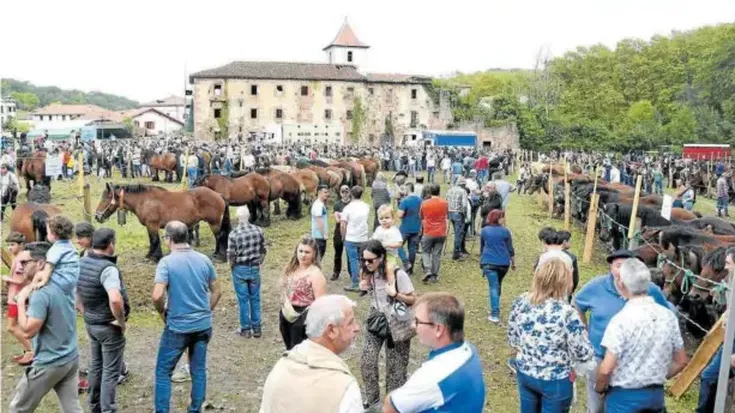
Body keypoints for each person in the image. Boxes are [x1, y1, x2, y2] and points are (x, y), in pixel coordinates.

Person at [574, 249, 675, 413]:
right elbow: (577, 303)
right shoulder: (596, 286)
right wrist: (583, 331)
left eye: (626, 266)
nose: (621, 271)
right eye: (617, 266)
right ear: (610, 267)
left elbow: (668, 313)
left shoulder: (650, 289)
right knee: (596, 407)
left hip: (634, 359)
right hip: (600, 356)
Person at [595, 259, 688, 412]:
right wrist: (655, 377)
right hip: (655, 396)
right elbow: (681, 361)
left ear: (620, 283)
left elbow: (606, 369)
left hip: (624, 398)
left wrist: (599, 387)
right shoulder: (668, 316)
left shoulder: (620, 320)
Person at [507, 253, 594, 413]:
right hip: (556, 380)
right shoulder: (567, 312)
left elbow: (513, 337)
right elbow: (581, 351)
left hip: (526, 372)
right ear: (564, 281)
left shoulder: (520, 302)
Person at [152, 221, 222, 413]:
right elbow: (217, 291)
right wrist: (207, 310)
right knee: (198, 370)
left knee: (163, 371)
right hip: (203, 325)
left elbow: (157, 295)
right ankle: (195, 409)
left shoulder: (166, 262)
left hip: (178, 327)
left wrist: (161, 312)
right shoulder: (204, 259)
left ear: (168, 239)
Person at [9, 242, 83, 413]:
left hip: (49, 363)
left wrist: (20, 302)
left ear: (41, 263)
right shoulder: (64, 284)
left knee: (17, 409)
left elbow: (28, 331)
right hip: (70, 359)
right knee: (72, 409)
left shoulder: (41, 294)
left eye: (25, 262)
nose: (20, 267)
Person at [383, 292, 485, 413]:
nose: (412, 325)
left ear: (438, 329)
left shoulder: (431, 377)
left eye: (417, 321)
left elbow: (391, 406)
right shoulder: (469, 349)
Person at [260, 295, 363, 413]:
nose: (357, 328)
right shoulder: (344, 387)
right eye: (350, 323)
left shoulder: (280, 367)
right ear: (331, 331)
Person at [359, 240, 416, 409]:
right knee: (366, 361)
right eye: (364, 260)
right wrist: (365, 287)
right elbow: (372, 292)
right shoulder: (368, 272)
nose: (367, 264)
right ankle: (372, 401)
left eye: (371, 260)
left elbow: (413, 299)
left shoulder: (398, 274)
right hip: (376, 318)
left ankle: (393, 405)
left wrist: (396, 294)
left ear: (382, 257)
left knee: (396, 370)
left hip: (397, 323)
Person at [78, 228, 130, 413]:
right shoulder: (108, 269)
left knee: (96, 366)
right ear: (111, 244)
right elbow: (115, 299)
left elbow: (75, 291)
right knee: (110, 371)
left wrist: (85, 312)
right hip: (108, 326)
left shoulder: (82, 261)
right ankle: (108, 409)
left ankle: (94, 406)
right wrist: (121, 321)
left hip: (91, 323)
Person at [697, 249, 735, 413]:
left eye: (728, 264)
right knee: (711, 377)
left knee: (710, 377)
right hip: (730, 340)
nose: (726, 268)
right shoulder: (731, 283)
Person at [280, 236, 327, 350]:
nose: (303, 255)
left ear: (314, 254)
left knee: (299, 351)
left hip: (304, 316)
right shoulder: (291, 268)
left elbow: (321, 303)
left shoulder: (315, 274)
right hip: (288, 312)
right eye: (300, 251)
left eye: (307, 252)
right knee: (289, 348)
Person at [227, 206, 267, 338]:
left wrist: (231, 266)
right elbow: (263, 249)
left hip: (240, 268)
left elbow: (231, 254)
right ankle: (257, 329)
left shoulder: (234, 234)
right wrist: (259, 261)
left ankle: (245, 328)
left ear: (238, 218)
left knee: (243, 300)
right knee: (255, 298)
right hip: (254, 267)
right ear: (249, 216)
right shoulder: (258, 230)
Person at [479, 210, 515, 323]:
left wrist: (481, 259)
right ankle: (496, 305)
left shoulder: (484, 231)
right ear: (498, 218)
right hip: (503, 263)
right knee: (497, 284)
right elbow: (510, 249)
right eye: (502, 217)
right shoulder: (506, 232)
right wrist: (513, 262)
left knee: (493, 286)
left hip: (488, 262)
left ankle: (495, 312)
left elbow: (482, 246)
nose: (503, 219)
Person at [30, 215, 79, 293]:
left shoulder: (55, 249)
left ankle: (30, 291)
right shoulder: (70, 246)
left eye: (47, 232)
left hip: (61, 281)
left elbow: (49, 266)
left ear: (53, 235)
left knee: (38, 275)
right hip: (72, 279)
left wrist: (44, 281)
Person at [5, 232, 33, 365]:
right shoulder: (23, 256)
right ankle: (28, 350)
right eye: (8, 245)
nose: (10, 248)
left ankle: (31, 350)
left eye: (13, 245)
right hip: (21, 297)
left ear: (21, 245)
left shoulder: (21, 260)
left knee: (11, 326)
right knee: (22, 325)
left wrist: (7, 279)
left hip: (16, 298)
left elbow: (22, 280)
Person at [340, 186, 370, 292]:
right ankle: (366, 280)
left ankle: (355, 282)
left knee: (353, 260)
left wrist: (343, 236)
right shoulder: (366, 206)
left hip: (351, 237)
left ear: (351, 194)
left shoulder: (347, 208)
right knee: (363, 260)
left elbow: (343, 224)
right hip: (363, 237)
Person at [419, 184, 448, 284]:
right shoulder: (444, 203)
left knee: (425, 251)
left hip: (428, 231)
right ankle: (435, 275)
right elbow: (446, 214)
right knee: (437, 254)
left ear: (430, 192)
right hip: (441, 231)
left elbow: (421, 216)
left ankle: (427, 269)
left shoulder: (425, 203)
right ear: (439, 191)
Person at [397, 182, 422, 274]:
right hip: (416, 228)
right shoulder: (420, 200)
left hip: (405, 228)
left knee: (398, 246)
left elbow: (399, 215)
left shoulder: (405, 201)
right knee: (412, 249)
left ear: (407, 189)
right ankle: (410, 270)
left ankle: (406, 262)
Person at [332, 185, 352, 281]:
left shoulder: (352, 204)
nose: (344, 194)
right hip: (338, 231)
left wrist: (341, 216)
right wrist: (345, 218)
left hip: (350, 232)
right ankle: (336, 272)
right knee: (337, 253)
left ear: (349, 193)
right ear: (340, 193)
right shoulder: (337, 204)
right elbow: (337, 220)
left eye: (346, 192)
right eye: (342, 192)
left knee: (350, 254)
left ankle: (352, 273)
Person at [447, 176, 469, 260]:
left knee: (457, 232)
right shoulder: (463, 191)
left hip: (450, 212)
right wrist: (465, 214)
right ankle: (456, 253)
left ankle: (457, 250)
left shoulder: (450, 190)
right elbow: (464, 205)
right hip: (458, 213)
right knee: (458, 233)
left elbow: (446, 201)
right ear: (463, 184)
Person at [311, 185, 330, 260]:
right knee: (317, 259)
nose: (327, 194)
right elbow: (319, 220)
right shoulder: (318, 205)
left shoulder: (319, 204)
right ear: (319, 192)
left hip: (318, 236)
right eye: (325, 192)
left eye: (328, 192)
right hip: (319, 237)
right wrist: (324, 234)